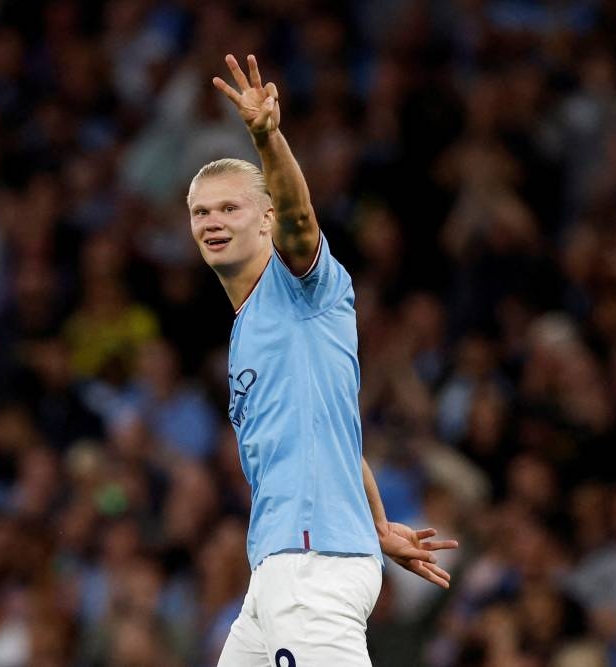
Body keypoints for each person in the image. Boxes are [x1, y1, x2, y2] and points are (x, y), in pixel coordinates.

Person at [187, 54, 459, 666]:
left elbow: (303, 219)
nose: (212, 222)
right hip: (284, 568)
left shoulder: (303, 287)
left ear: (265, 219)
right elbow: (333, 434)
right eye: (201, 212)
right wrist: (378, 523)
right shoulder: (248, 328)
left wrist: (267, 136)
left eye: (230, 208)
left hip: (310, 566)